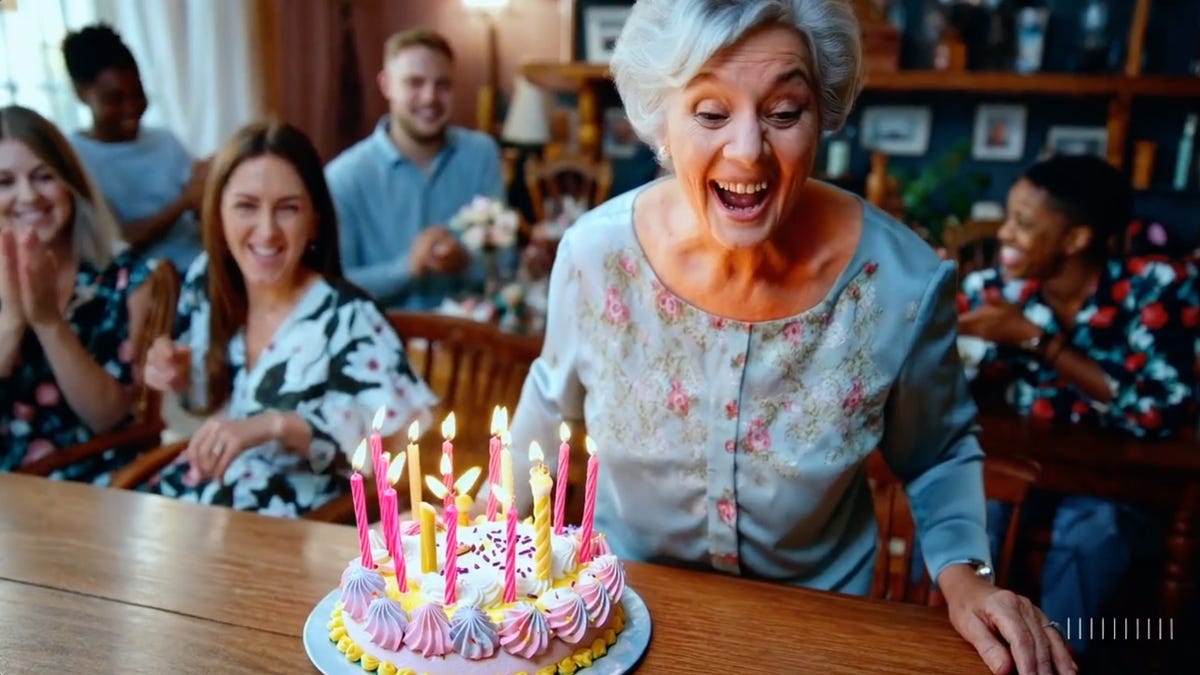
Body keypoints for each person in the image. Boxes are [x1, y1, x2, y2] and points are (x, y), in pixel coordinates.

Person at [507, 2, 1075, 673]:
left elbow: (940, 449)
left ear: (823, 112)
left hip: (815, 630)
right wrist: (490, 539)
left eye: (783, 113)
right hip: (624, 616)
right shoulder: (594, 256)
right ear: (662, 119)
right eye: (712, 114)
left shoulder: (900, 283)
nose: (748, 150)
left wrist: (969, 574)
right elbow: (551, 405)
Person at [958, 154, 1198, 655]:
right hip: (1025, 468)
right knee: (970, 515)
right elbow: (954, 386)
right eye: (1009, 217)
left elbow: (1161, 409)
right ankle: (943, 654)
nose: (1004, 234)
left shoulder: (1154, 288)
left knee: (1092, 531)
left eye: (1023, 224)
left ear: (1077, 239)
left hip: (1117, 482)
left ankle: (1063, 661)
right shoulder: (995, 291)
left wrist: (1034, 339)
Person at [141, 121, 435, 517]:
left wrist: (276, 425)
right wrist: (176, 373)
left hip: (297, 528)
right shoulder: (206, 281)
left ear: (314, 220)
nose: (267, 231)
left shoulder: (348, 317)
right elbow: (198, 403)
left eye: (288, 209)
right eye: (246, 206)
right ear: (217, 214)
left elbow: (403, 444)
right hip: (200, 504)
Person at [0, 105, 155, 483]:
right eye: (4, 182)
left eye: (43, 177)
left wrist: (48, 322)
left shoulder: (125, 277)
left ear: (71, 184)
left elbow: (107, 417)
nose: (28, 197)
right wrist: (14, 317)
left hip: (103, 480)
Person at [325, 29, 504, 310]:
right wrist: (407, 268)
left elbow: (506, 263)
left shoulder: (481, 154)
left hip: (469, 342)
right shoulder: (343, 177)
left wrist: (465, 262)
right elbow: (334, 288)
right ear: (387, 85)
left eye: (443, 85)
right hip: (382, 344)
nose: (430, 98)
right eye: (414, 83)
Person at [62, 23, 207, 273]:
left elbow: (199, 206)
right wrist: (184, 202)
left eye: (138, 95)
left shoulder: (165, 142)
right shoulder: (73, 158)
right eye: (115, 99)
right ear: (81, 94)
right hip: (141, 287)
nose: (131, 109)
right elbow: (116, 243)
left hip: (200, 266)